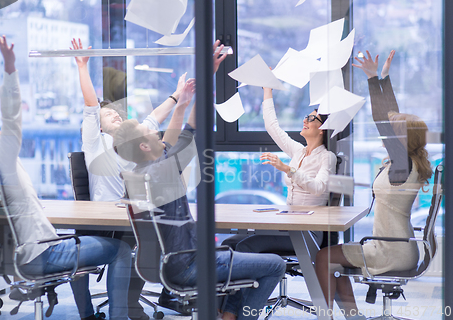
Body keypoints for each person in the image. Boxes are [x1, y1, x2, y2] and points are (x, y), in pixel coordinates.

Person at [0, 32, 133, 320]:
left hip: (9, 258)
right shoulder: (2, 159)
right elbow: (12, 117)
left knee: (78, 241)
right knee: (121, 250)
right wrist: (10, 68)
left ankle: (88, 316)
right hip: (40, 255)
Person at [112, 44, 285, 320]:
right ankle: (241, 316)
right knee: (275, 265)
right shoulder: (164, 169)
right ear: (145, 146)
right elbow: (191, 130)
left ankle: (227, 314)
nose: (156, 130)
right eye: (149, 131)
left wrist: (199, 87)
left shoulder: (142, 172)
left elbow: (180, 135)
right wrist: (200, 86)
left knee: (235, 249)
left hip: (168, 264)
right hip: (189, 264)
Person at [70, 38, 196, 320]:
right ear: (98, 126)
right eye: (107, 115)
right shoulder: (95, 143)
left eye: (116, 112)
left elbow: (155, 116)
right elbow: (91, 104)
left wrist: (177, 96)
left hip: (132, 216)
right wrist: (82, 66)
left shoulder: (135, 138)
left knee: (150, 241)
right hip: (101, 221)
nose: (114, 114)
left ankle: (133, 303)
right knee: (82, 254)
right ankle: (88, 315)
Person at [315, 50, 432, 320]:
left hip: (390, 250)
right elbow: (391, 116)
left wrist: (372, 79)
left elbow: (384, 120)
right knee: (333, 261)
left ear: (403, 139)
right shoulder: (404, 163)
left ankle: (325, 317)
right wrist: (383, 78)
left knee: (323, 258)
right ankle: (352, 317)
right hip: (393, 245)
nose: (389, 130)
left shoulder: (403, 166)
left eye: (395, 131)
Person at [222, 87, 337, 253]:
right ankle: (233, 279)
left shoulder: (327, 157)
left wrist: (288, 169)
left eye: (311, 118)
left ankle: (259, 277)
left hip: (307, 233)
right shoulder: (299, 152)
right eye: (306, 116)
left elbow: (318, 188)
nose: (305, 120)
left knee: (246, 246)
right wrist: (267, 90)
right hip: (288, 224)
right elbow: (272, 127)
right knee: (230, 242)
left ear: (322, 129)